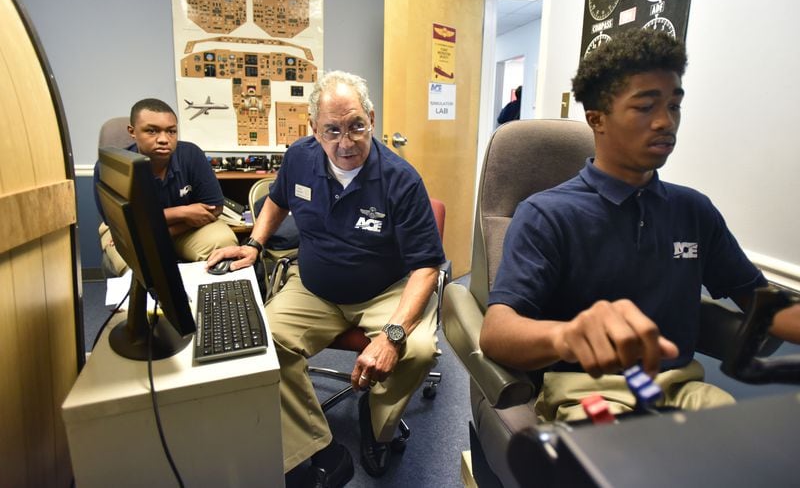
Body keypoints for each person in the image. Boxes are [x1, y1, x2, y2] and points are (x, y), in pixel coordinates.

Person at [480, 29, 800, 422]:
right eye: (646, 107)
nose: (666, 122)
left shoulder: (694, 211)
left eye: (674, 106)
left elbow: (763, 302)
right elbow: (496, 333)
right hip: (588, 392)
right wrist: (566, 336)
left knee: (743, 450)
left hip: (680, 389)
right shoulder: (547, 215)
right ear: (596, 118)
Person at [207, 71, 445, 487]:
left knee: (419, 349)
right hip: (314, 288)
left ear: (371, 118)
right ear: (314, 130)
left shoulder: (401, 180)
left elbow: (426, 267)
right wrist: (256, 245)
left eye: (356, 126)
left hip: (384, 291)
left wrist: (392, 335)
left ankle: (377, 424)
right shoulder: (300, 157)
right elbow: (276, 202)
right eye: (332, 130)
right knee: (261, 342)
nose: (346, 142)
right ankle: (317, 445)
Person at [94, 98, 237, 275]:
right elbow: (121, 222)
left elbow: (214, 208)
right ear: (132, 132)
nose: (163, 139)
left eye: (171, 131)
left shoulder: (191, 154)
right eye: (151, 131)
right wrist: (183, 212)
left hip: (181, 228)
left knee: (224, 244)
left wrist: (161, 231)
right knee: (132, 267)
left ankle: (212, 301)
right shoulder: (110, 167)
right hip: (132, 231)